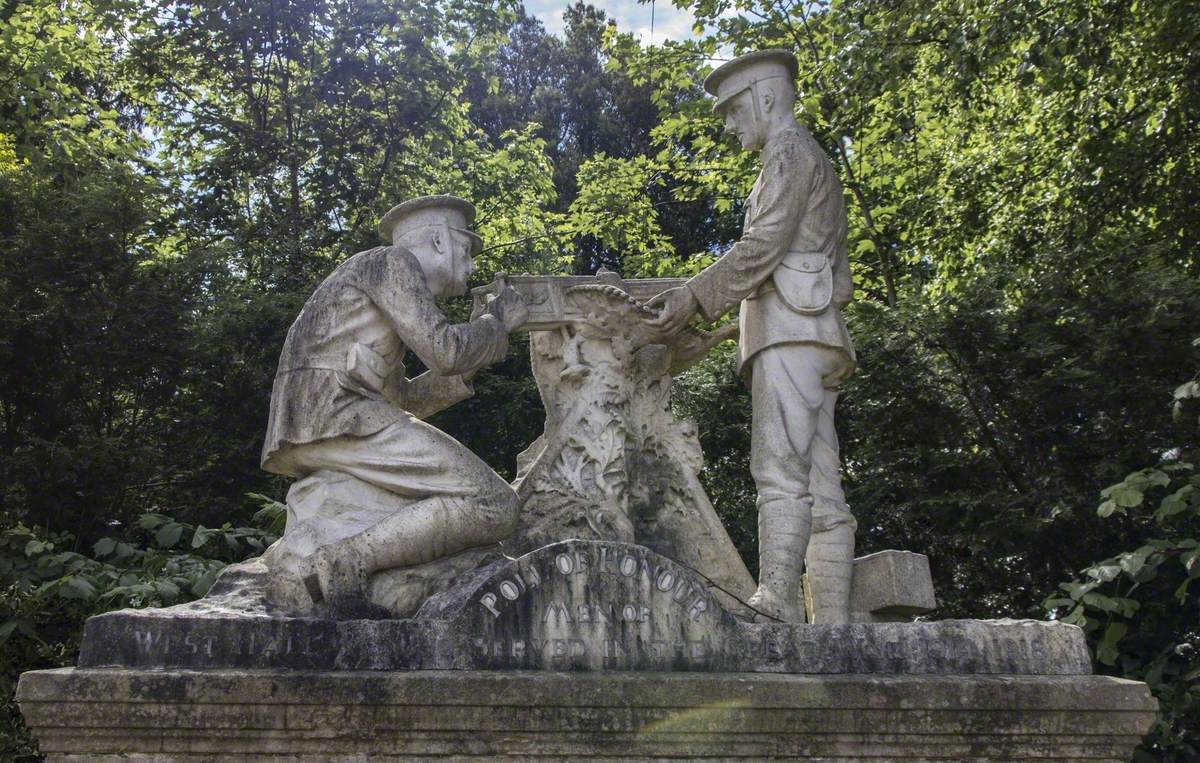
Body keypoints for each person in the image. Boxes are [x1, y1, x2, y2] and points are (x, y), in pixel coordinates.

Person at [646, 50, 857, 624]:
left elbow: (762, 247)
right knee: (819, 477)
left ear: (767, 97)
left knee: (778, 467)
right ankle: (833, 625)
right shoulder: (807, 156)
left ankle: (780, 602)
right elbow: (839, 273)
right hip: (812, 327)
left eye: (736, 110)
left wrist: (694, 295)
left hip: (790, 327)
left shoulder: (790, 151)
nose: (733, 125)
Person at [259, 195, 528, 613]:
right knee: (495, 503)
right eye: (466, 249)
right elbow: (446, 351)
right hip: (336, 415)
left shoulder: (374, 284)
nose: (472, 265)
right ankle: (348, 559)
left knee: (490, 502)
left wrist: (470, 358)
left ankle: (343, 559)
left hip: (323, 420)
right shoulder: (393, 264)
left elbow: (403, 400)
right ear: (439, 241)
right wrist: (495, 325)